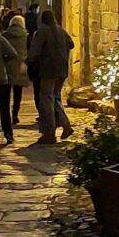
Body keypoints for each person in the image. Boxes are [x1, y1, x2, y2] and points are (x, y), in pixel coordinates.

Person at [27, 10, 74, 145]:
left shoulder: (43, 31)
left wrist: (28, 62)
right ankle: (66, 125)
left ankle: (49, 133)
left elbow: (34, 51)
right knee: (55, 97)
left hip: (48, 70)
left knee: (46, 100)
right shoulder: (60, 30)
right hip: (62, 69)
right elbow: (71, 44)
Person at [3, 14, 30, 126]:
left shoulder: (5, 35)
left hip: (7, 64)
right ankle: (15, 115)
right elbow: (29, 50)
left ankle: (6, 115)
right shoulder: (26, 35)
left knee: (6, 93)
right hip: (20, 64)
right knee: (18, 93)